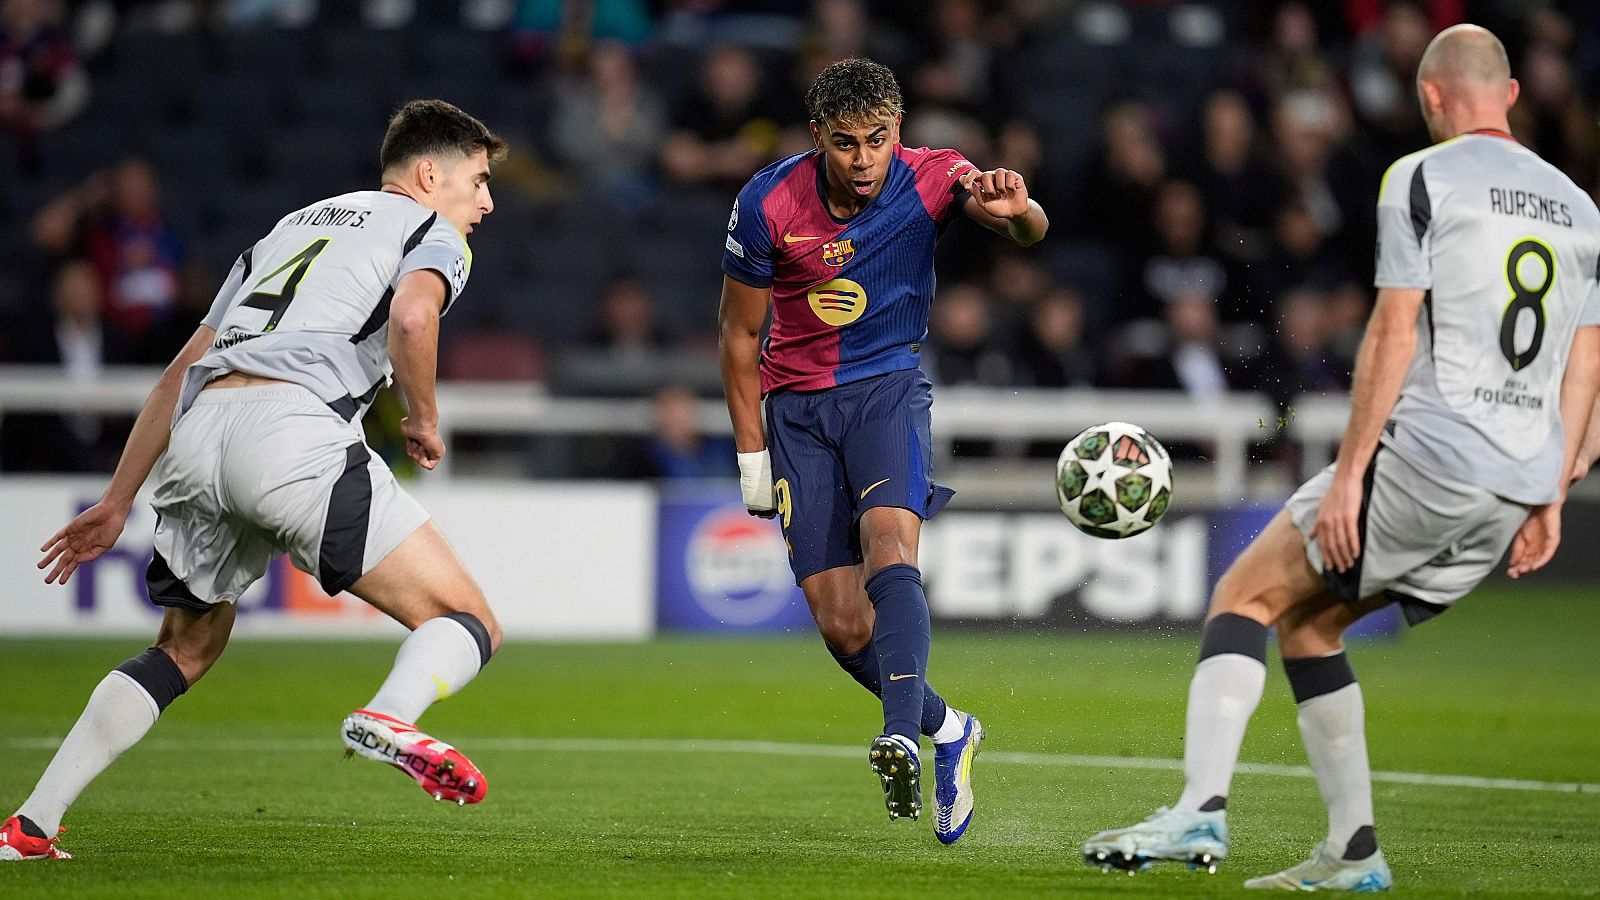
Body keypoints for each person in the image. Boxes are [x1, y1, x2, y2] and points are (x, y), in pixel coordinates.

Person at [1082, 25, 1600, 891]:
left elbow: (1394, 327)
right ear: (1510, 96)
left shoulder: (1423, 176)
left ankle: (1197, 812)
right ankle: (1352, 853)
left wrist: (1351, 474)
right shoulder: (1583, 209)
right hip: (1513, 485)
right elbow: (1587, 363)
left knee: (1241, 596)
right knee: (1311, 622)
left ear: (1431, 97)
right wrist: (1551, 491)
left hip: (1433, 456)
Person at [1, 100, 509, 861]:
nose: (487, 202)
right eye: (478, 179)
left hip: (200, 435)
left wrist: (117, 500)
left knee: (184, 647)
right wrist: (424, 417)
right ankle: (392, 715)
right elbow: (411, 319)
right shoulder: (427, 230)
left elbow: (180, 370)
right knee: (466, 621)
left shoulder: (286, 229)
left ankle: (28, 825)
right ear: (430, 173)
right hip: (291, 432)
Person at [717, 58, 1047, 844]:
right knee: (841, 625)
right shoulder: (767, 202)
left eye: (876, 140)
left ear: (897, 130)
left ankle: (899, 735)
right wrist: (752, 462)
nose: (863, 159)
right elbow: (736, 338)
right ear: (817, 139)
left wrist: (1022, 209)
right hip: (795, 412)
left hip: (888, 390)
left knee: (890, 548)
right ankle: (948, 729)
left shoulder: (934, 177)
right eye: (845, 144)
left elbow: (1022, 230)